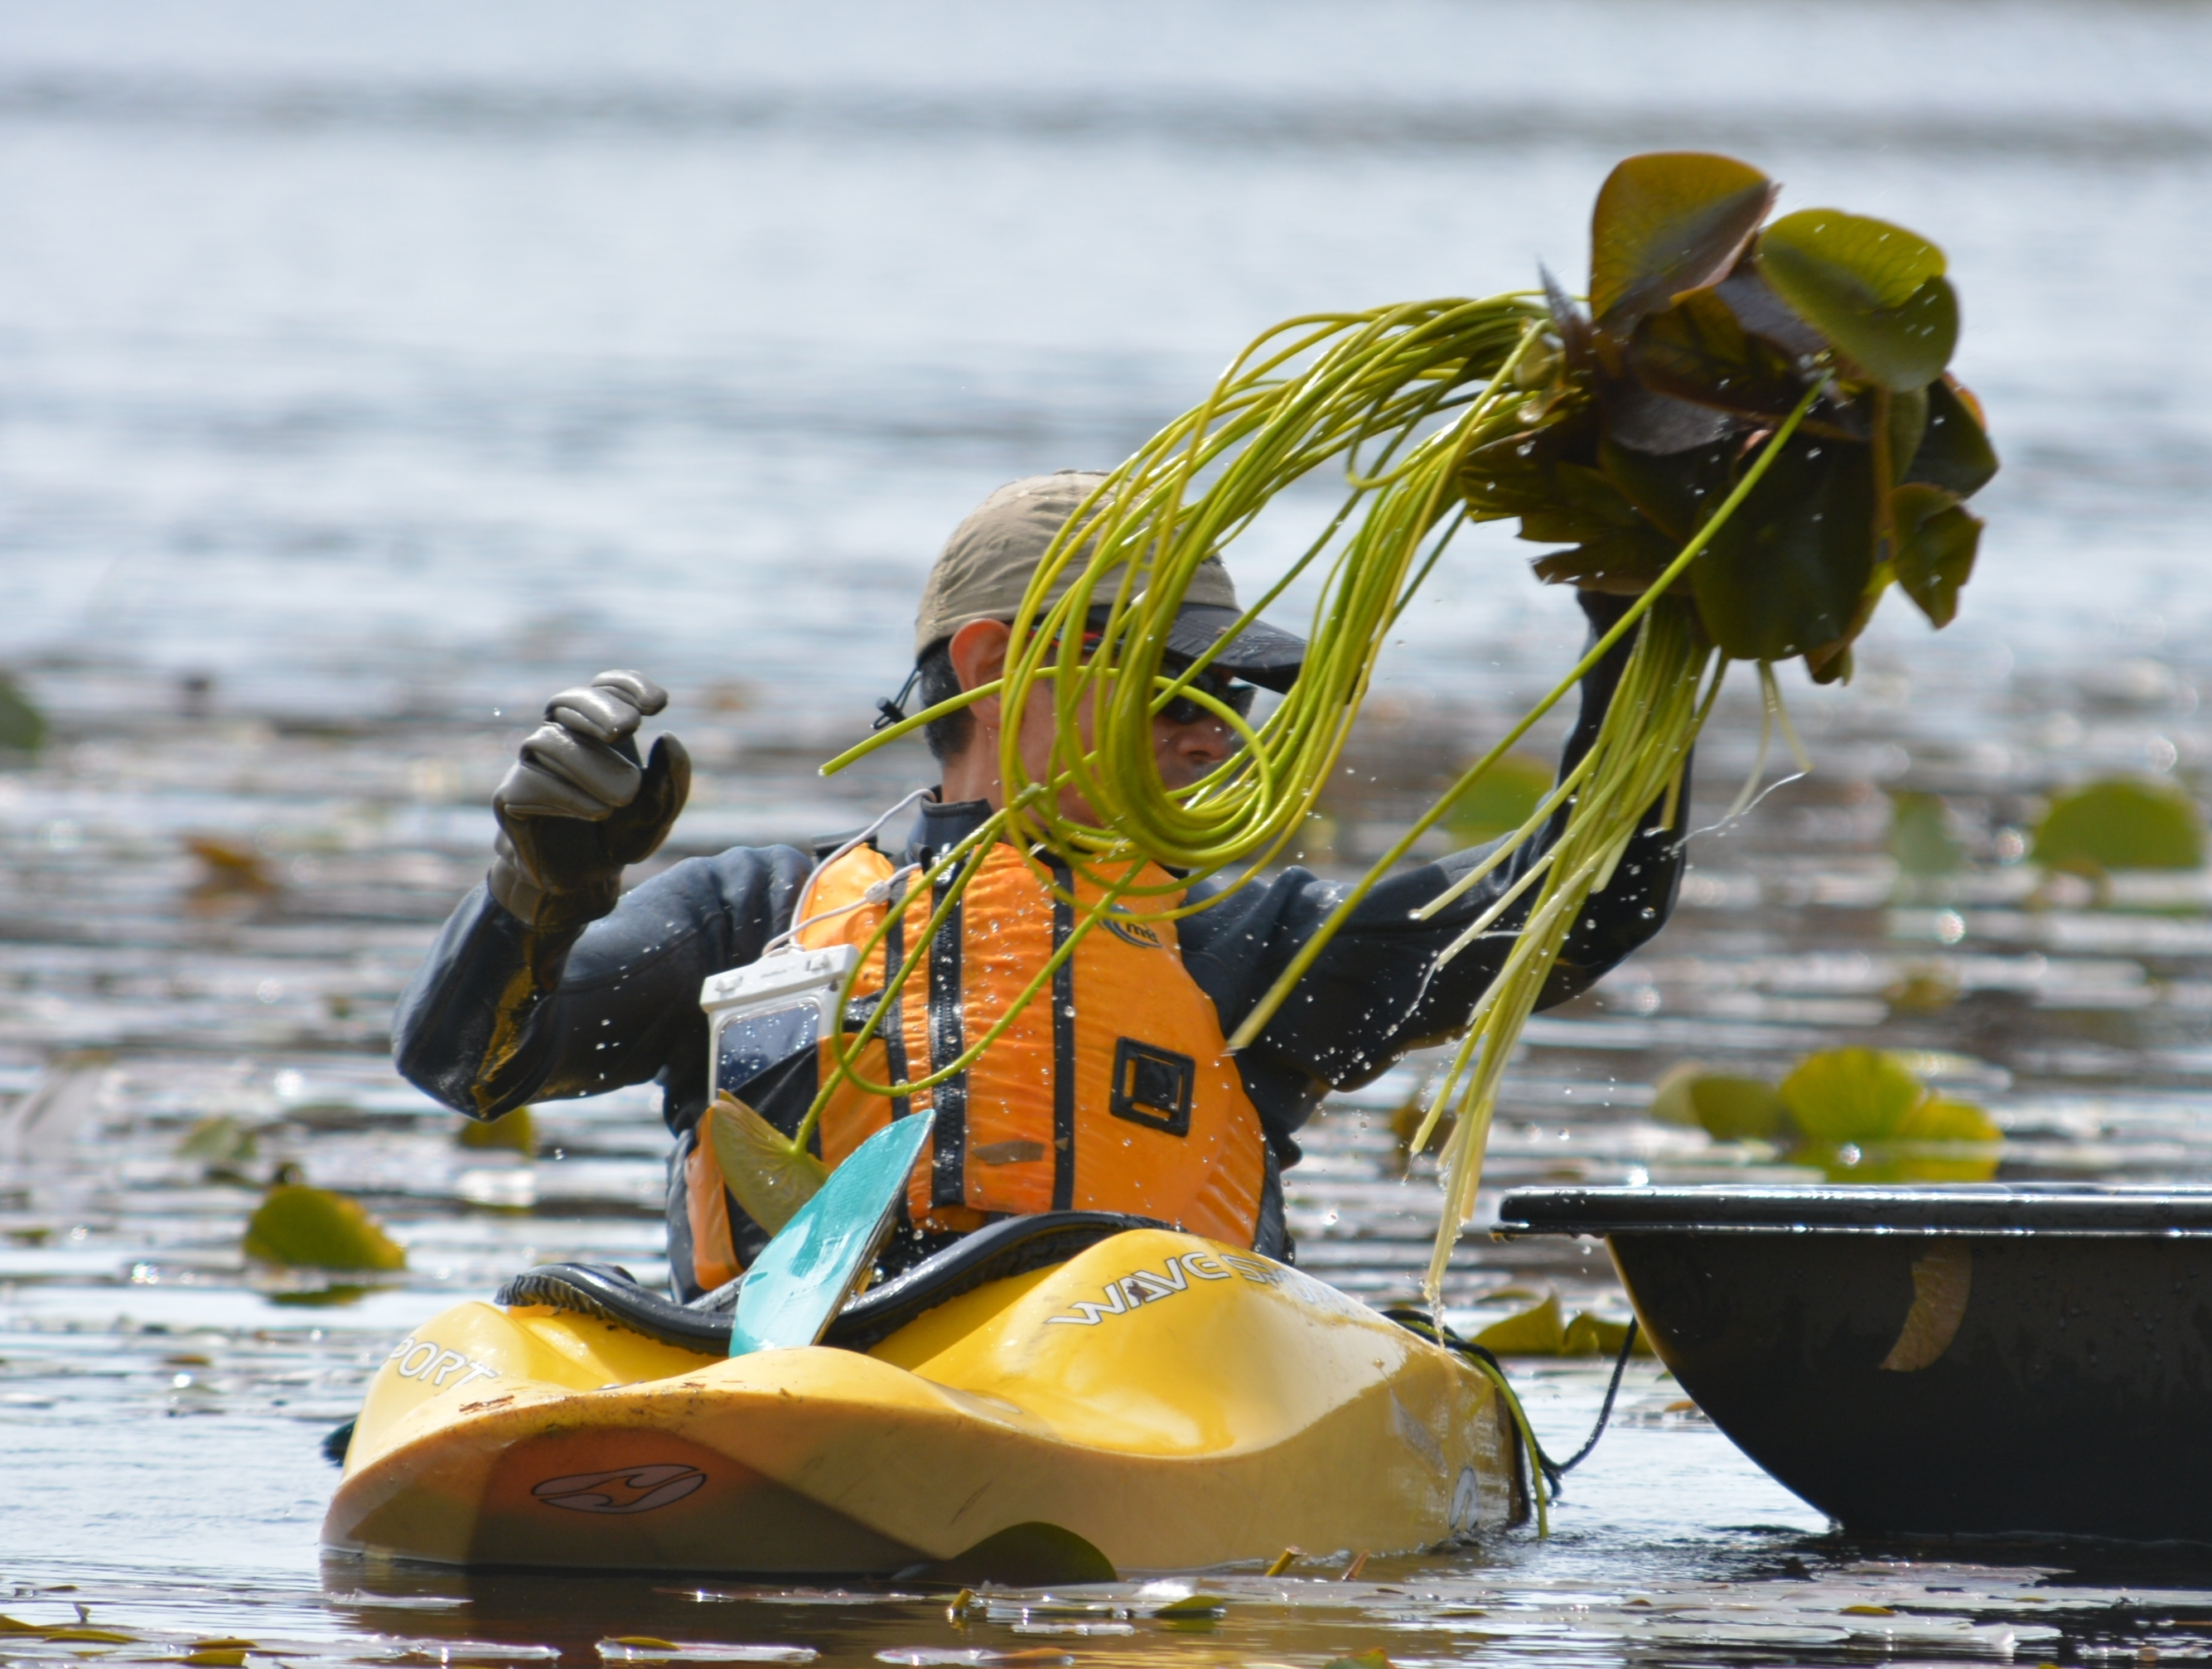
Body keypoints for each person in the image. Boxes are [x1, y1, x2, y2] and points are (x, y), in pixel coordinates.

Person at [393, 472, 1688, 1295]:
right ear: (996, 658)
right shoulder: (752, 922)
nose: (1213, 727)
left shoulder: (1249, 949)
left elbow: (1598, 886)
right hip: (785, 1399)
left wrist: (1642, 613)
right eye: (1177, 681)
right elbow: (467, 1067)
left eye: (1231, 689)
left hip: (1126, 1402)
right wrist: (538, 888)